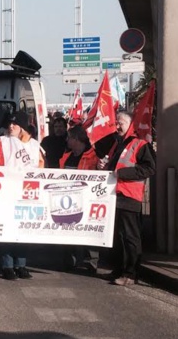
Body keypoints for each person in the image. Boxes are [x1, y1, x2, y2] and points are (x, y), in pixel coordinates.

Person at [0, 111, 44, 280]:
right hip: (6, 194)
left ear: (22, 127)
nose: (11, 127)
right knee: (8, 231)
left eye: (15, 124)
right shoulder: (0, 142)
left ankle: (21, 264)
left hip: (27, 194)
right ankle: (7, 265)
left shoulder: (33, 145)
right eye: (9, 124)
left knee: (24, 231)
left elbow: (41, 168)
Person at [98, 111, 155, 286]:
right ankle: (119, 269)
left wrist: (122, 173)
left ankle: (130, 274)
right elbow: (114, 166)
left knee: (131, 237)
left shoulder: (140, 144)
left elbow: (149, 169)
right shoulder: (118, 144)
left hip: (130, 195)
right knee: (118, 236)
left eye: (120, 122)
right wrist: (103, 166)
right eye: (116, 123)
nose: (117, 126)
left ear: (130, 124)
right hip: (116, 195)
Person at [60, 125, 100, 274]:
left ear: (76, 139)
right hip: (68, 200)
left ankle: (91, 262)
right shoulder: (66, 156)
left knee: (90, 231)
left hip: (88, 199)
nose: (67, 140)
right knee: (68, 229)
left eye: (69, 137)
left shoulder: (93, 156)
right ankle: (70, 260)